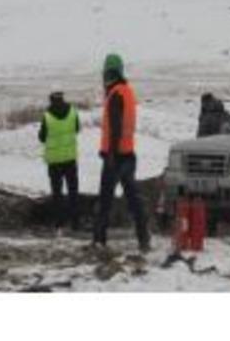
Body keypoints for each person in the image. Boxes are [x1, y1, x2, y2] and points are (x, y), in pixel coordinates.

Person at [93, 53, 151, 252]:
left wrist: (110, 154)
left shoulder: (115, 93)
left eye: (107, 73)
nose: (104, 77)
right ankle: (144, 237)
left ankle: (99, 240)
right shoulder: (127, 91)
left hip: (115, 156)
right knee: (133, 199)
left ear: (111, 73)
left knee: (105, 200)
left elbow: (116, 127)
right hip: (128, 154)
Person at [38, 90, 81, 234]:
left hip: (55, 161)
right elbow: (77, 129)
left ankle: (59, 224)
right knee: (73, 190)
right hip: (70, 158)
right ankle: (75, 222)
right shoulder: (73, 112)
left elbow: (42, 137)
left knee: (57, 193)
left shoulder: (47, 116)